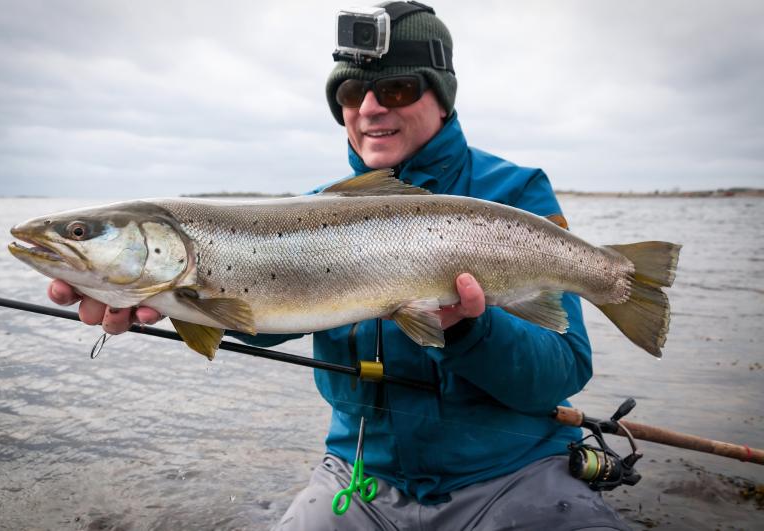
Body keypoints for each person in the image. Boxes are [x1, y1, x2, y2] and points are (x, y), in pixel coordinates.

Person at [49, 3, 630, 529]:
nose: (370, 109)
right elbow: (262, 321)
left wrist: (471, 329)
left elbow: (562, 372)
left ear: (443, 96)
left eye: (397, 89)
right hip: (359, 481)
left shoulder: (514, 195)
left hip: (511, 478)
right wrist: (170, 306)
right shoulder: (308, 214)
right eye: (351, 94)